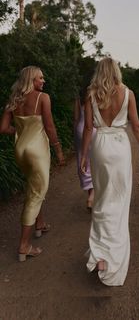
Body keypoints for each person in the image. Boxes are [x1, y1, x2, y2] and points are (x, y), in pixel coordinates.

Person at [80, 57, 139, 286]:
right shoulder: (128, 93)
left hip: (100, 146)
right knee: (119, 202)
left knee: (102, 201)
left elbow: (89, 128)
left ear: (99, 72)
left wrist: (83, 155)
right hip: (120, 147)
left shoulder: (91, 95)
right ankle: (110, 256)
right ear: (117, 71)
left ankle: (100, 254)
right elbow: (137, 127)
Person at [0, 66, 65, 261]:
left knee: (34, 186)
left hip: (20, 150)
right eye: (40, 78)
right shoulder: (42, 98)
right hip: (37, 151)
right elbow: (50, 126)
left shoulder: (14, 100)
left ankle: (40, 223)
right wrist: (59, 150)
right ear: (31, 80)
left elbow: (3, 128)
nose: (43, 81)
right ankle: (24, 246)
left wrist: (21, 133)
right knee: (37, 193)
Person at [74, 86, 96, 212]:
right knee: (95, 162)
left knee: (84, 163)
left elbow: (76, 118)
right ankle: (92, 196)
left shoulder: (80, 95)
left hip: (80, 130)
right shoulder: (98, 93)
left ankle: (90, 196)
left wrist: (75, 135)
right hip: (94, 130)